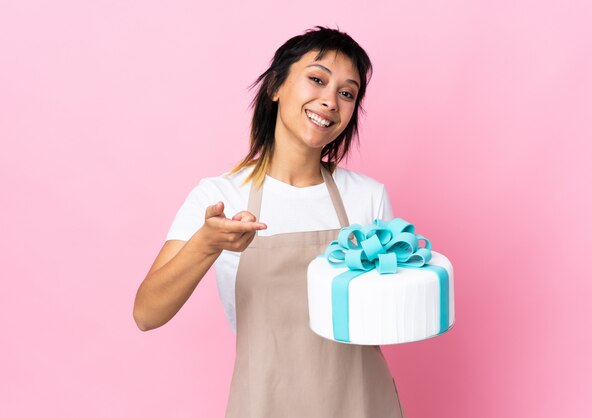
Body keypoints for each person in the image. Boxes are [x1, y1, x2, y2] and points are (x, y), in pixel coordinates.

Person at [133, 26, 405, 418]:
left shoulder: (368, 197)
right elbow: (146, 314)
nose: (330, 101)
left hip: (361, 404)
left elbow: (387, 320)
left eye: (347, 93)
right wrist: (207, 243)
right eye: (317, 79)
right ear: (275, 86)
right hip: (264, 405)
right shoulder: (220, 197)